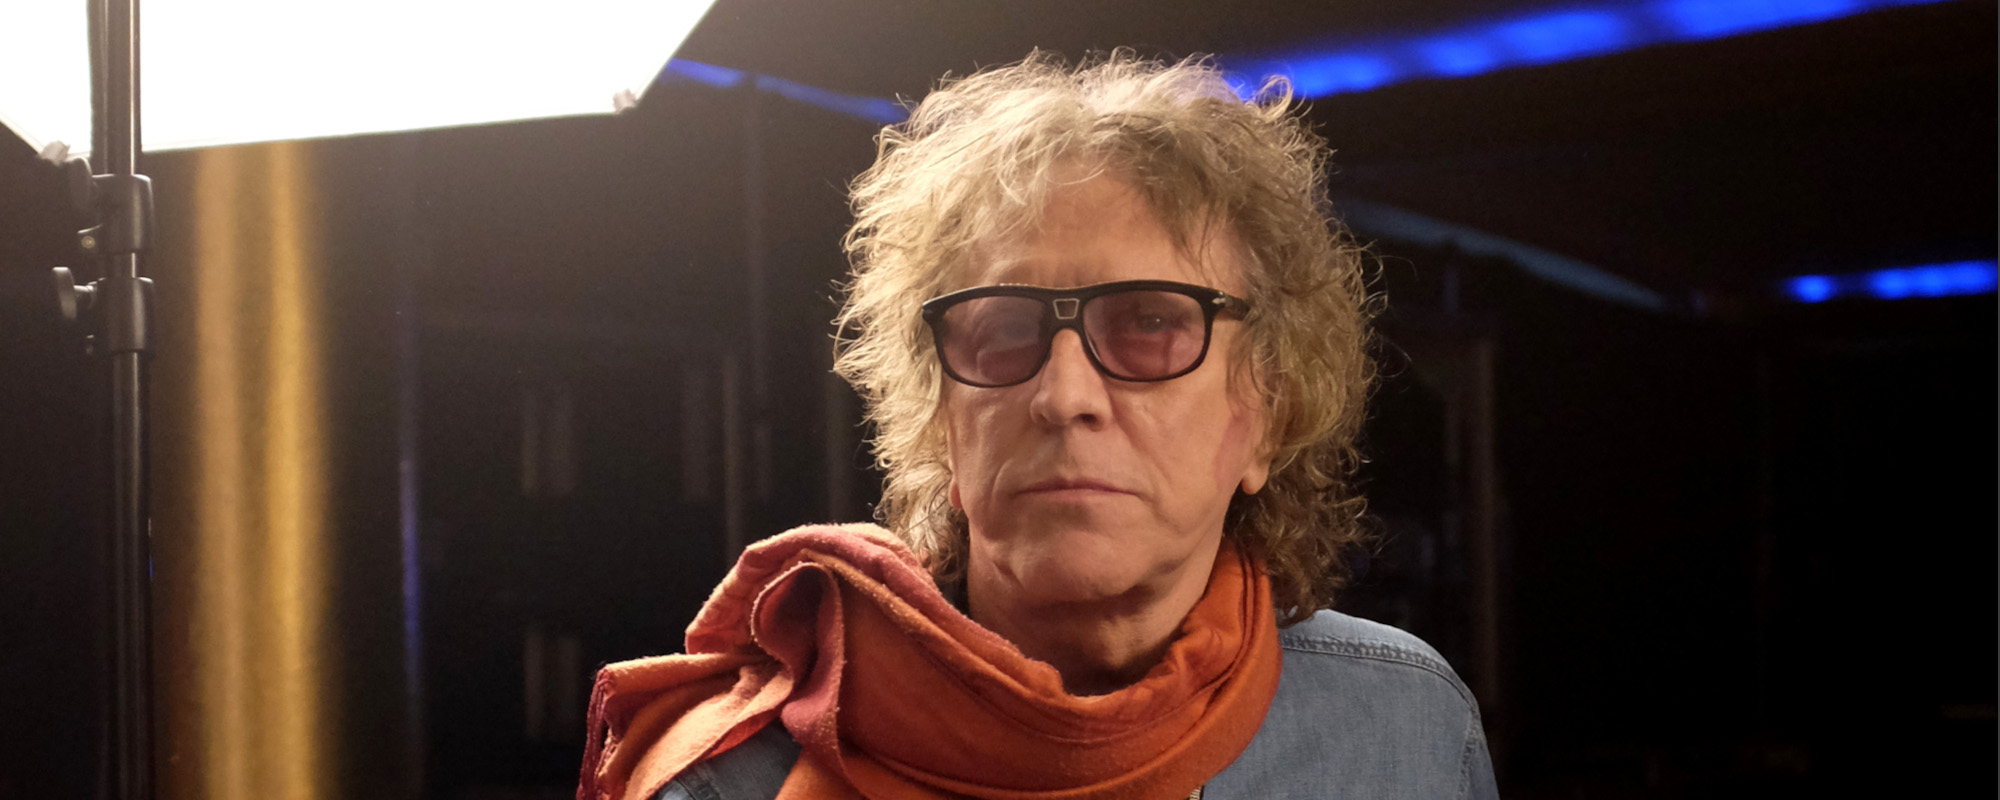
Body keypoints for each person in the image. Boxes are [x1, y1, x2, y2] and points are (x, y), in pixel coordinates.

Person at [577, 51, 1498, 800]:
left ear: (1266, 414)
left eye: (1149, 324)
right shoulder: (732, 780)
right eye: (1004, 331)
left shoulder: (1404, 726)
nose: (1064, 395)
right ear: (942, 421)